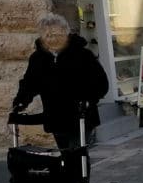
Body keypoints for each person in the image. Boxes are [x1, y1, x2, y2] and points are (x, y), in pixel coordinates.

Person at [12, 13, 109, 150]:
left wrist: (88, 99)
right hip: (55, 117)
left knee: (76, 155)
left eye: (57, 35)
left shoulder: (83, 55)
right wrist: (20, 102)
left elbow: (101, 83)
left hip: (81, 116)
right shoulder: (38, 58)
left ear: (65, 33)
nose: (52, 40)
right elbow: (29, 84)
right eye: (48, 36)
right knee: (65, 155)